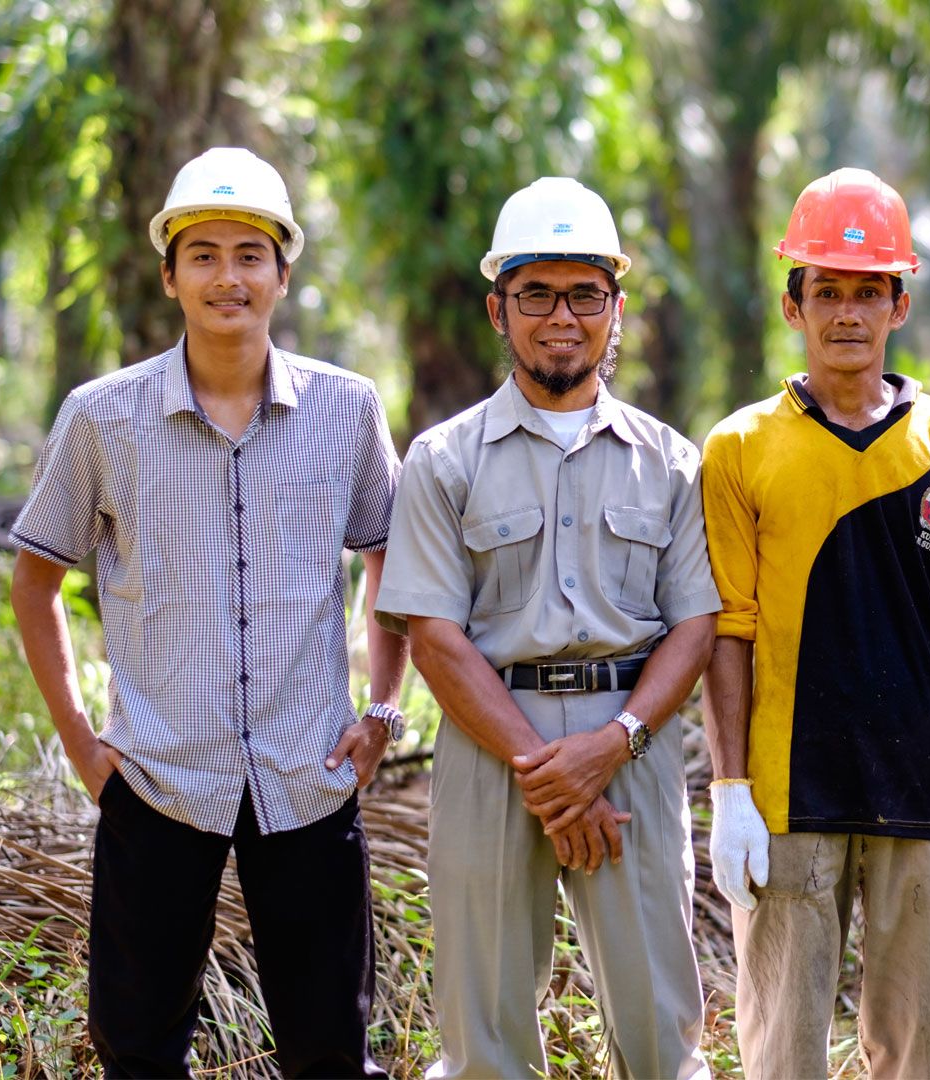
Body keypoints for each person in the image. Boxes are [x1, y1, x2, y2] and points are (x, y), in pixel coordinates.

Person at [8, 146, 404, 1078]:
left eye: (249, 254)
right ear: (171, 275)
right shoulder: (103, 417)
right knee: (138, 1048)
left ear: (282, 272)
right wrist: (81, 743)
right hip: (154, 779)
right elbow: (35, 582)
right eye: (204, 255)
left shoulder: (347, 411)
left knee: (329, 1049)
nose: (228, 276)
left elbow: (390, 557)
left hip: (309, 773)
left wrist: (382, 709)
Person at [374, 176, 717, 1079]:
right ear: (499, 307)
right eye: (536, 293)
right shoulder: (442, 461)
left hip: (630, 756)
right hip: (491, 757)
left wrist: (615, 742)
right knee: (483, 1040)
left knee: (661, 1035)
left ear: (616, 306)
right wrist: (547, 773)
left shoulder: (672, 463)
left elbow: (694, 625)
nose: (561, 317)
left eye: (584, 293)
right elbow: (435, 638)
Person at [699, 166, 930, 1079]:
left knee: (923, 1049)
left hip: (924, 785)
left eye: (868, 292)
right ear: (794, 306)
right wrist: (729, 791)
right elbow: (728, 627)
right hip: (789, 791)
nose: (847, 313)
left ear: (898, 305)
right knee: (783, 1050)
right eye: (826, 290)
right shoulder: (739, 446)